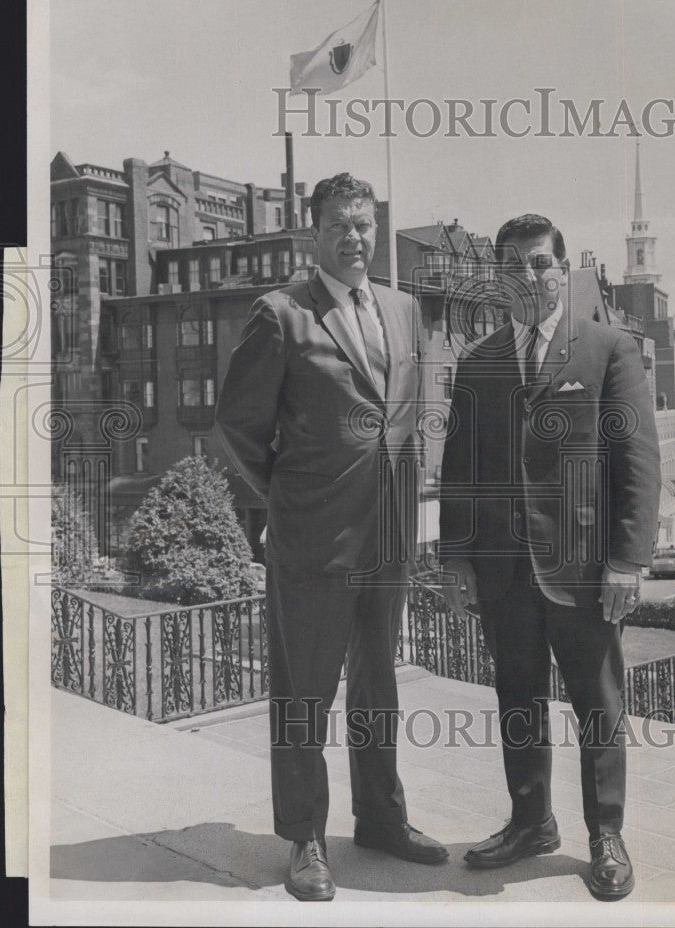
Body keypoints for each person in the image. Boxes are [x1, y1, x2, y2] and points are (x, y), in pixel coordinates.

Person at [213, 173, 447, 902]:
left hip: (387, 539)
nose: (355, 236)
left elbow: (404, 416)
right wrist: (290, 498)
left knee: (378, 688)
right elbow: (239, 425)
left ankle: (380, 819)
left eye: (366, 224)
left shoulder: (405, 309)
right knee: (304, 694)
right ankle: (305, 838)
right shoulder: (281, 313)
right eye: (341, 225)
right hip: (313, 538)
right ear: (313, 233)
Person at [438, 213, 661, 900]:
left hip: (585, 570)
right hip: (505, 570)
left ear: (562, 270)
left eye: (539, 263)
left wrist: (627, 560)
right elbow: (461, 469)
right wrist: (455, 557)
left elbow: (637, 461)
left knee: (597, 705)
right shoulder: (478, 363)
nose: (528, 275)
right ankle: (531, 821)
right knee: (518, 700)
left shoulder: (607, 347)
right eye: (514, 265)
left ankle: (606, 834)